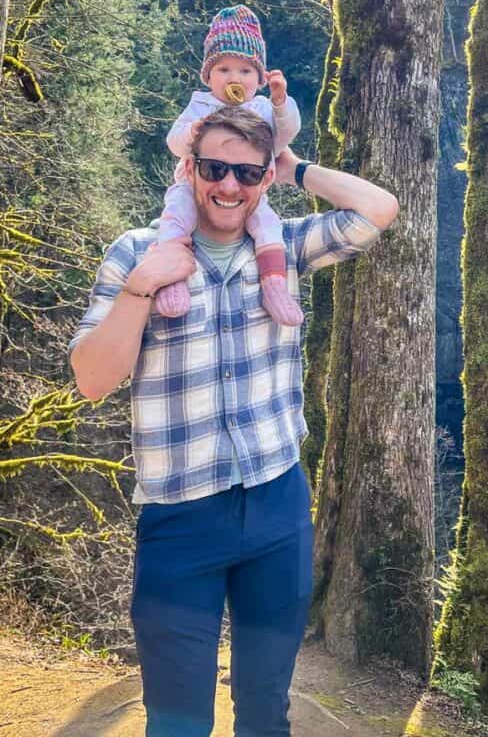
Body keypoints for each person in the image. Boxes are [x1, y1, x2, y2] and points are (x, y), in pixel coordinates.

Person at [69, 105, 399, 737]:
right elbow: (91, 380)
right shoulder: (136, 254)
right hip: (180, 521)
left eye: (247, 173)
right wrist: (141, 290)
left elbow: (378, 208)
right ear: (190, 169)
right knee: (176, 722)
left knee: (265, 714)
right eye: (216, 168)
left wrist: (293, 165)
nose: (229, 186)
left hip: (276, 510)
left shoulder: (287, 249)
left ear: (263, 179)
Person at [155, 4, 303, 327]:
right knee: (176, 215)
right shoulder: (201, 104)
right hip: (193, 184)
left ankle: (274, 284)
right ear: (209, 75)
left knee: (267, 224)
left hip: (249, 193)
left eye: (245, 71)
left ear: (260, 79)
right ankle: (171, 277)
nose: (234, 78)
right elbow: (173, 142)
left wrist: (281, 102)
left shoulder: (262, 108)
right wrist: (191, 133)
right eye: (224, 70)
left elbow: (287, 133)